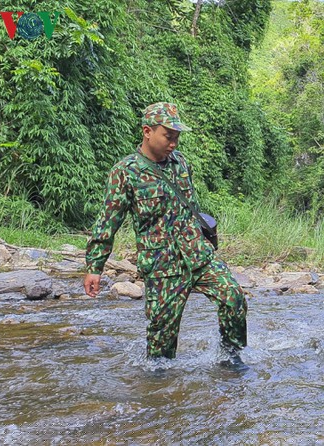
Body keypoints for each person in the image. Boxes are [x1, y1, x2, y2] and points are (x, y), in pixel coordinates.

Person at [83, 102, 248, 369]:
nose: (173, 143)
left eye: (177, 137)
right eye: (168, 136)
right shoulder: (125, 172)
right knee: (162, 346)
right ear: (147, 131)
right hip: (162, 266)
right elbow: (107, 222)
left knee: (234, 298)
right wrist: (94, 267)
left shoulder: (181, 163)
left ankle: (230, 357)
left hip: (198, 255)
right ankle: (158, 395)